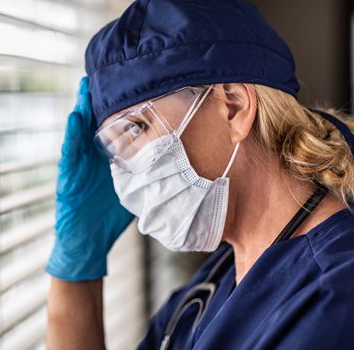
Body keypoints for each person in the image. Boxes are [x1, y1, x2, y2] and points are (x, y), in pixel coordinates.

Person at [44, 0, 354, 349]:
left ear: (233, 106)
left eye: (135, 129)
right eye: (114, 150)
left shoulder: (332, 299)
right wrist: (76, 269)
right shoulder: (208, 289)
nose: (124, 175)